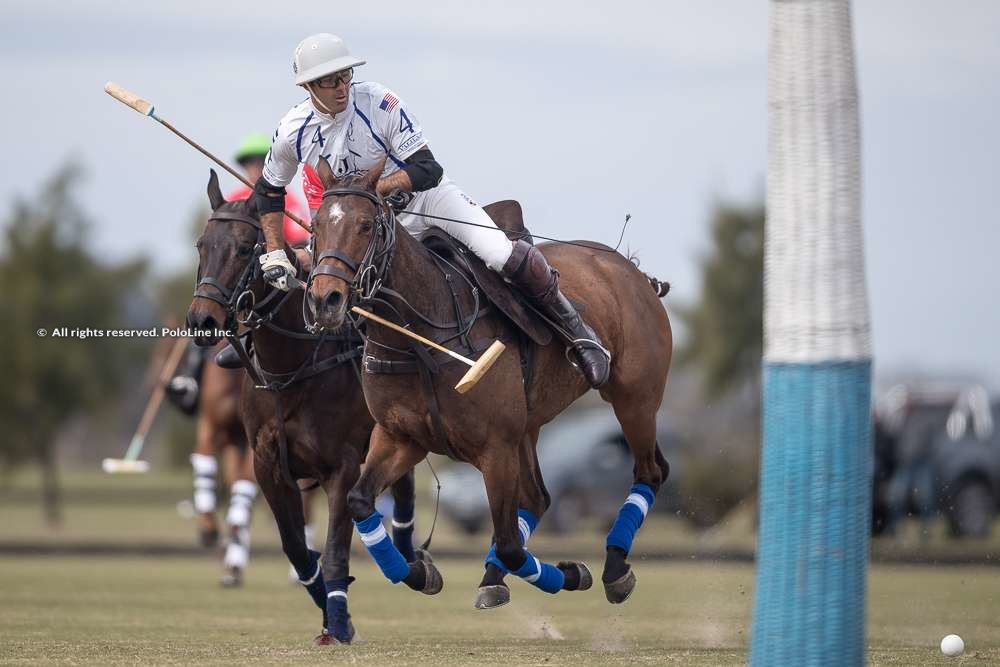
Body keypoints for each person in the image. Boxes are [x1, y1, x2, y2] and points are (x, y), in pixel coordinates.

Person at [254, 33, 610, 388]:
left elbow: (427, 168)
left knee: (500, 253)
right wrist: (273, 250)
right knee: (326, 282)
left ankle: (579, 335)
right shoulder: (292, 131)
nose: (342, 86)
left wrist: (379, 188)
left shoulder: (379, 103)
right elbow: (269, 190)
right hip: (363, 226)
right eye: (330, 81)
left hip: (426, 201)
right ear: (309, 87)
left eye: (345, 75)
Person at [166, 133, 311, 412]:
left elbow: (300, 239)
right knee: (207, 304)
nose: (255, 168)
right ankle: (190, 379)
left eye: (261, 162)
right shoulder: (232, 198)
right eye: (250, 163)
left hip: (273, 284)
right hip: (235, 283)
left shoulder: (288, 202)